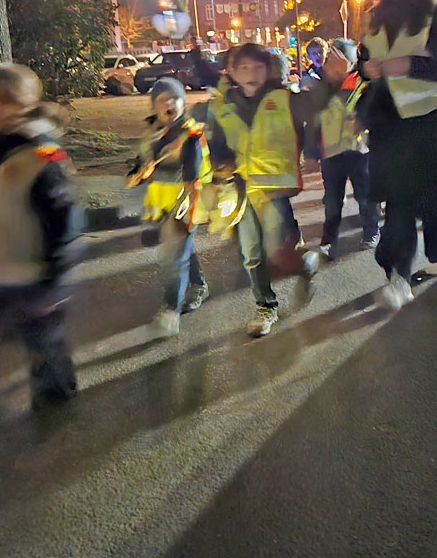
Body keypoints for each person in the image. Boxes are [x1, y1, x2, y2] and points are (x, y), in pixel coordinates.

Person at [0, 63, 82, 410]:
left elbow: (62, 220)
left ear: (9, 106)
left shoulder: (40, 155)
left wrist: (52, 281)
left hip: (33, 276)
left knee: (44, 346)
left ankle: (56, 404)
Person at [360, 0, 437, 309]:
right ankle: (398, 275)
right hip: (390, 124)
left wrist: (409, 64)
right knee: (398, 199)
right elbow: (365, 59)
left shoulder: (436, 14)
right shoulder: (375, 17)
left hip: (431, 120)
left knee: (436, 199)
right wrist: (365, 68)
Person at [202, 43, 320, 337]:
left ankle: (305, 266)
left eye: (257, 67)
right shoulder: (223, 105)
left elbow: (315, 114)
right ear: (232, 72)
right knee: (251, 253)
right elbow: (216, 140)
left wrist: (311, 151)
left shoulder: (285, 99)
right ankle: (266, 306)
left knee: (280, 253)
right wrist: (220, 167)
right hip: (241, 189)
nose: (251, 74)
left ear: (268, 70)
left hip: (274, 189)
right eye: (243, 68)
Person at [133, 78, 212, 338]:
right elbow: (142, 162)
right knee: (182, 251)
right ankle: (198, 285)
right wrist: (139, 171)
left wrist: (187, 204)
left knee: (175, 259)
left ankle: (170, 312)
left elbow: (192, 173)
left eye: (174, 98)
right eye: (162, 99)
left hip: (184, 203)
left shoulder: (189, 134)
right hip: (162, 203)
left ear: (183, 102)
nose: (169, 103)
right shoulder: (154, 132)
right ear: (154, 106)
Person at [309, 39, 379, 259]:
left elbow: (373, 109)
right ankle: (328, 240)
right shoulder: (321, 87)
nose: (328, 63)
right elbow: (313, 122)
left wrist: (363, 121)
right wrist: (311, 153)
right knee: (332, 201)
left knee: (365, 196)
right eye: (329, 58)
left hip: (358, 151)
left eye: (334, 58)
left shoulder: (362, 84)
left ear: (348, 62)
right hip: (331, 154)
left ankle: (371, 231)